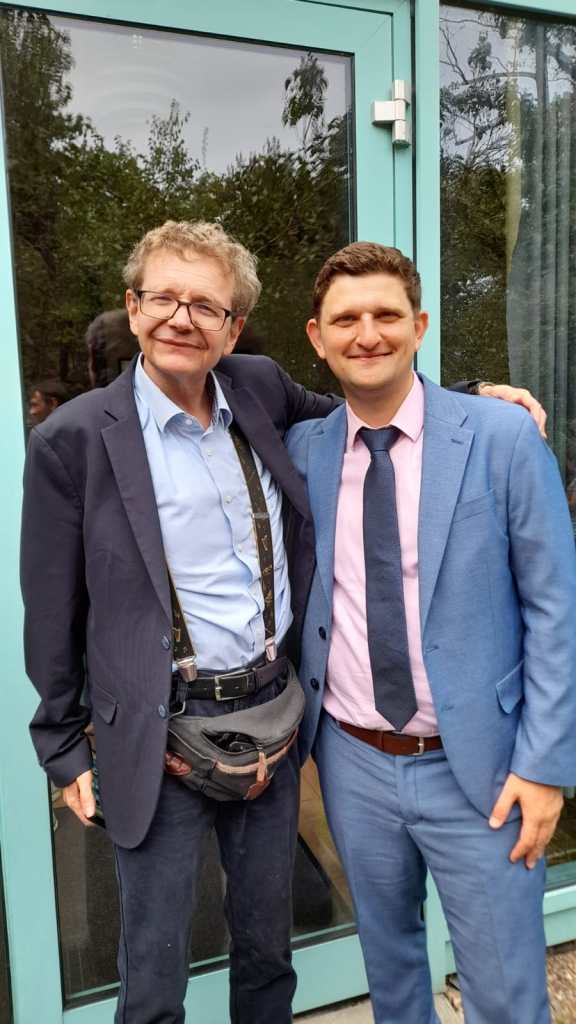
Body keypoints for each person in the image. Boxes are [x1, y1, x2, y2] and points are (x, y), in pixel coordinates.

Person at [20, 220, 546, 1024]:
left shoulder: (259, 391)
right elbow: (52, 605)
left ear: (232, 328)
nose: (182, 319)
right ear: (133, 308)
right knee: (153, 976)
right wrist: (62, 743)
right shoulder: (74, 439)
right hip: (158, 736)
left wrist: (472, 396)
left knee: (268, 956)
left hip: (273, 721)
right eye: (164, 299)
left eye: (206, 306)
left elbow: (368, 404)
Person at [286, 242, 576, 1024]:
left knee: (505, 993)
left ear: (418, 326)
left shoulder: (502, 437)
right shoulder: (304, 449)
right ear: (318, 337)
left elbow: (556, 608)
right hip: (351, 761)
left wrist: (545, 765)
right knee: (392, 976)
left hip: (481, 766)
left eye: (386, 315)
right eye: (347, 319)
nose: (367, 334)